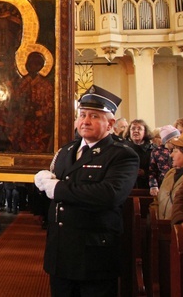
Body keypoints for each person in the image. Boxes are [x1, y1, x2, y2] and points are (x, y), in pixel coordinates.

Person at [35, 85, 139, 297]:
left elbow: (110, 194)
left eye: (94, 116)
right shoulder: (66, 151)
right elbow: (53, 195)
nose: (85, 121)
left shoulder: (121, 155)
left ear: (110, 124)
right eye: (82, 115)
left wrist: (57, 188)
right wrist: (42, 185)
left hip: (94, 254)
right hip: (61, 251)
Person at [148, 125, 181, 196]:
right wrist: (153, 186)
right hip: (163, 186)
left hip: (178, 183)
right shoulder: (156, 152)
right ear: (167, 141)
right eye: (174, 139)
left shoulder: (181, 150)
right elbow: (152, 171)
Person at [124, 118, 154, 189]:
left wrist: (144, 173)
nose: (136, 131)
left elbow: (157, 170)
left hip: (146, 187)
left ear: (145, 132)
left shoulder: (152, 149)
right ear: (129, 132)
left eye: (139, 129)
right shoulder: (123, 148)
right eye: (133, 129)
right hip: (127, 187)